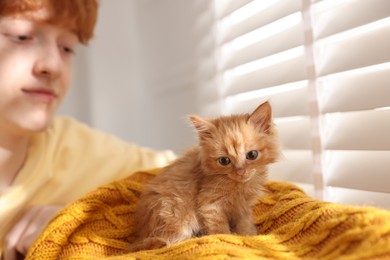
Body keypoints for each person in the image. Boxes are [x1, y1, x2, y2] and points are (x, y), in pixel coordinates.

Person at [0, 1, 175, 259]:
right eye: (22, 37)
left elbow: (220, 181)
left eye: (67, 48)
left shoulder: (74, 149)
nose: (54, 66)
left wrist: (78, 220)